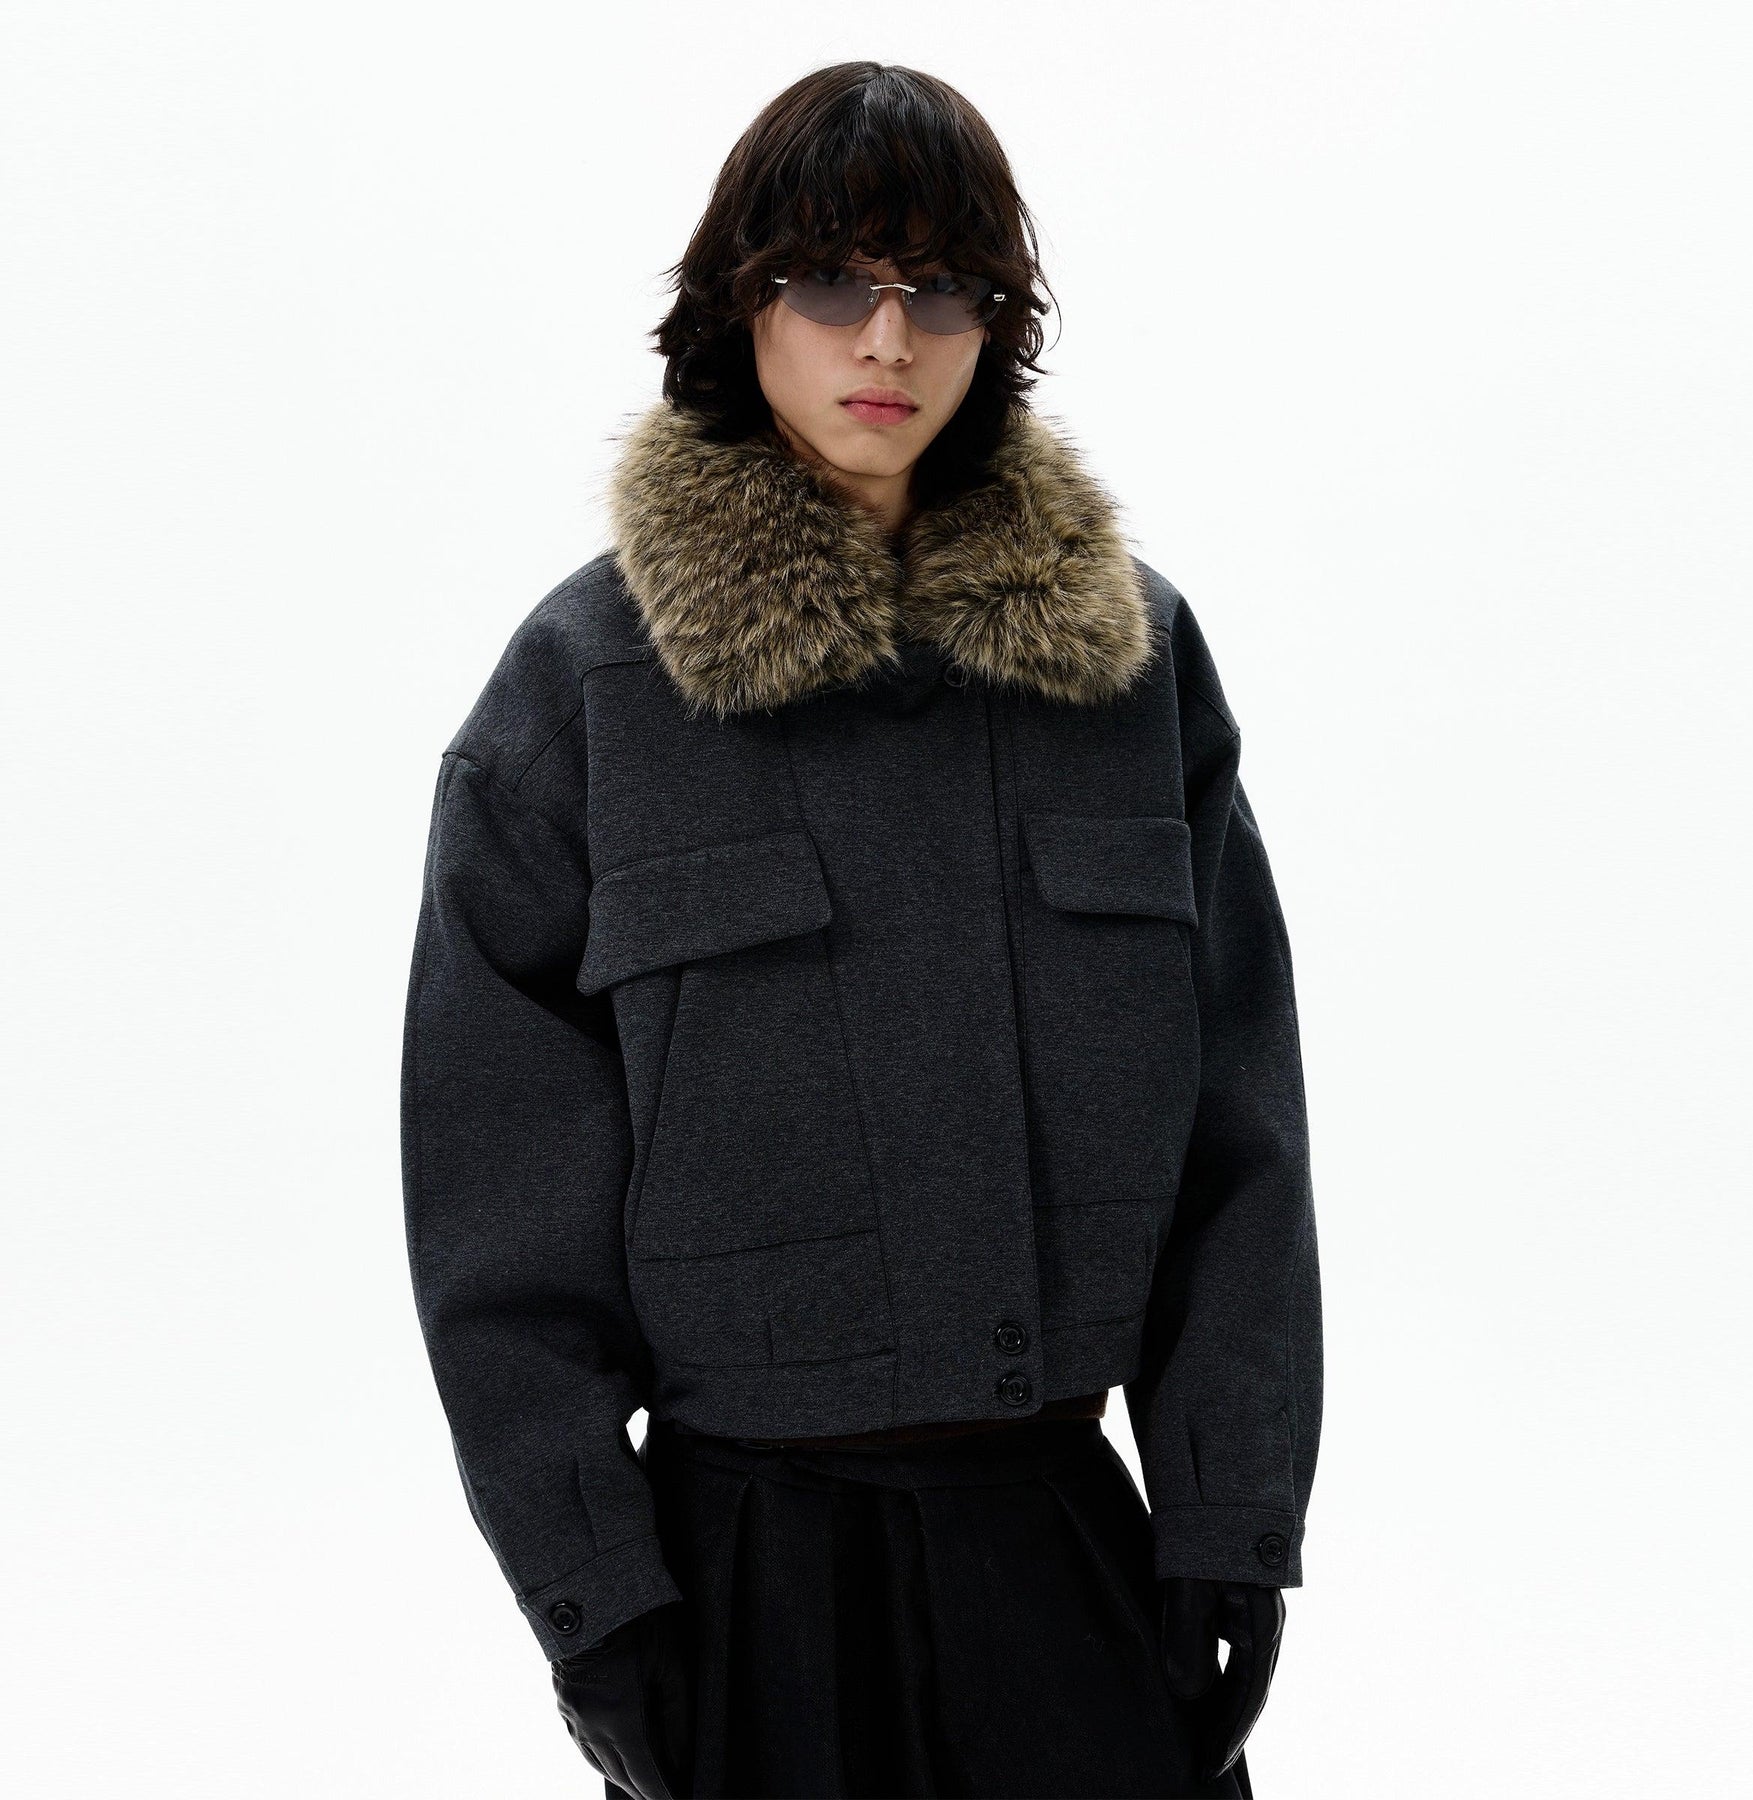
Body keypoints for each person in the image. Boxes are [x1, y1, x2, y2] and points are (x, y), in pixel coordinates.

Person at [401, 60, 1321, 1800]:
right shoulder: (588, 689)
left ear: (997, 324)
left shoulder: (1127, 666)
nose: (889, 339)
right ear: (737, 302)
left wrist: (1232, 1515)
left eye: (943, 287)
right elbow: (493, 1198)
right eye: (832, 280)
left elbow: (1242, 1134)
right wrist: (593, 1592)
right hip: (740, 1579)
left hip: (1068, 1550)